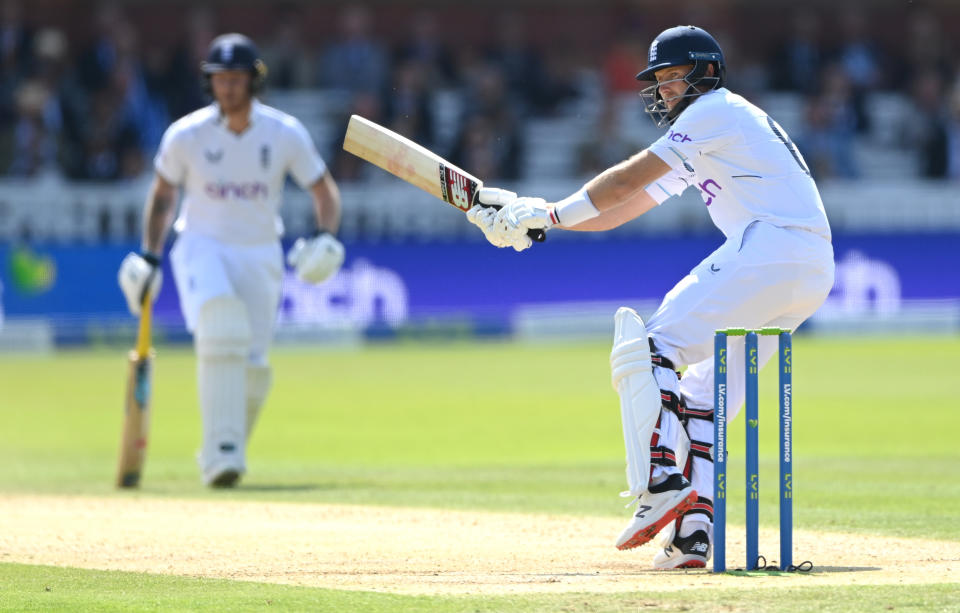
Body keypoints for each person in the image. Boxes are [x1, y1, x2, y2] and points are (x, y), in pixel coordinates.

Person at [468, 25, 834, 569]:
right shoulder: (715, 128)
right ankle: (693, 536)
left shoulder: (712, 111)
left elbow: (622, 180)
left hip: (772, 246)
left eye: (671, 77)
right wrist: (546, 221)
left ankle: (660, 477)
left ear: (705, 72)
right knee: (704, 396)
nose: (663, 90)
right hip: (809, 269)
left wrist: (546, 213)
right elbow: (625, 207)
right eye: (658, 80)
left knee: (650, 346)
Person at [118, 33, 344, 488]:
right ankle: (223, 456)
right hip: (202, 244)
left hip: (261, 250)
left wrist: (326, 237)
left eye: (237, 78)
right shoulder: (187, 135)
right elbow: (163, 195)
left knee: (254, 366)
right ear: (210, 82)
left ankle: (223, 448)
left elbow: (324, 191)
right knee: (221, 325)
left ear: (253, 81)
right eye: (220, 79)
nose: (228, 87)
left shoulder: (284, 133)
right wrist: (150, 255)